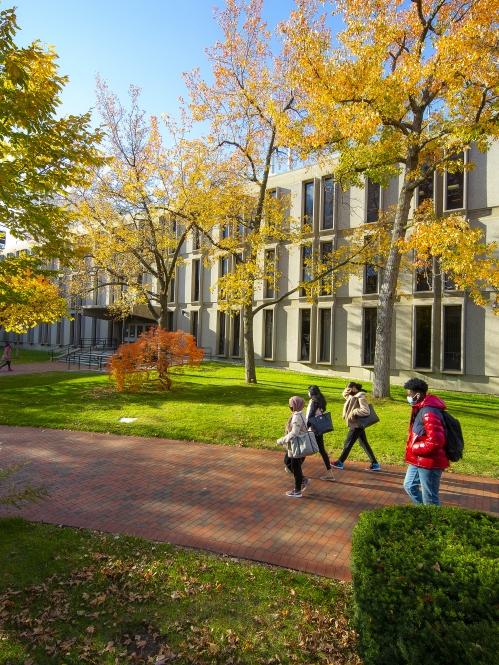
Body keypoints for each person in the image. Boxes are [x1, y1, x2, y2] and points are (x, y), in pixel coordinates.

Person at [403, 377, 448, 506]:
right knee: (409, 486)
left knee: (430, 498)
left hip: (430, 461)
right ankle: (424, 514)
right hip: (418, 459)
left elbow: (436, 441)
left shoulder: (429, 412)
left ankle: (434, 523)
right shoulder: (420, 408)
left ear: (417, 394)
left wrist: (415, 448)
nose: (408, 397)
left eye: (409, 394)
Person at [331, 381, 381, 471]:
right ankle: (375, 464)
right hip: (357, 424)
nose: (348, 391)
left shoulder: (361, 397)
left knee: (348, 443)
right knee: (363, 443)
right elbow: (348, 399)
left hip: (357, 424)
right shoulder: (353, 396)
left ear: (354, 388)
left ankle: (340, 462)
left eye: (350, 388)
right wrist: (346, 392)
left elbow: (366, 411)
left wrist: (354, 412)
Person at [277, 396, 310, 498]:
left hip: (297, 446)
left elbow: (294, 432)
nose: (289, 406)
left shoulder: (297, 416)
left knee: (296, 468)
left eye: (291, 404)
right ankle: (303, 480)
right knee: (288, 462)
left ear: (295, 405)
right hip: (295, 445)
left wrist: (282, 440)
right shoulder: (300, 414)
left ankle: (297, 490)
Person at [306, 385, 335, 481]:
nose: (307, 393)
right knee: (322, 450)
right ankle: (330, 473)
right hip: (319, 428)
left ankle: (293, 468)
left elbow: (310, 416)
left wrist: (306, 427)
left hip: (313, 429)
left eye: (308, 391)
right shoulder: (321, 401)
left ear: (311, 393)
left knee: (305, 449)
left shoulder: (314, 402)